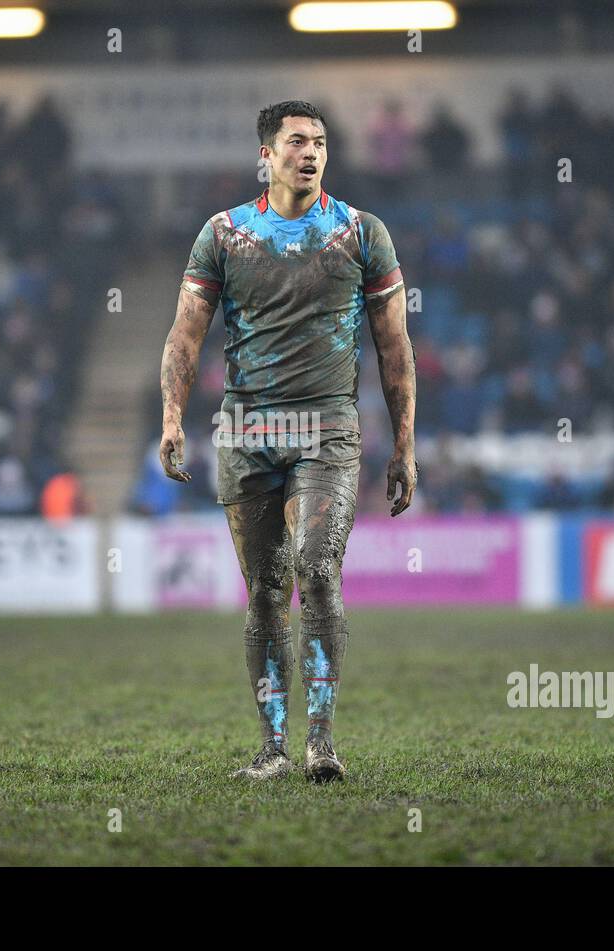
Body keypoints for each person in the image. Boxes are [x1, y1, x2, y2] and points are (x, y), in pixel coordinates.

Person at [157, 101, 416, 783]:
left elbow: (395, 346)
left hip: (327, 428)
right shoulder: (223, 234)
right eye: (297, 141)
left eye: (321, 142)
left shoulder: (362, 233)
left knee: (318, 569)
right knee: (266, 591)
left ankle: (321, 744)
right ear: (265, 157)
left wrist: (405, 445)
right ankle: (272, 750)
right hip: (246, 431)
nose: (312, 152)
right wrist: (172, 416)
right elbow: (186, 334)